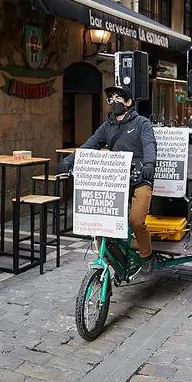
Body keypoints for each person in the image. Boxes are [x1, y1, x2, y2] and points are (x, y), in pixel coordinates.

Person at [58, 85, 158, 276]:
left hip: (139, 179)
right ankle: (109, 258)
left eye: (118, 98)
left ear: (128, 102)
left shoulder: (142, 123)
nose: (113, 102)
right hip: (116, 180)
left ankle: (147, 255)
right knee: (101, 221)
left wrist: (150, 164)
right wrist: (69, 161)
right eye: (110, 99)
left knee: (136, 221)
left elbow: (149, 144)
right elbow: (91, 144)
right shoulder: (108, 126)